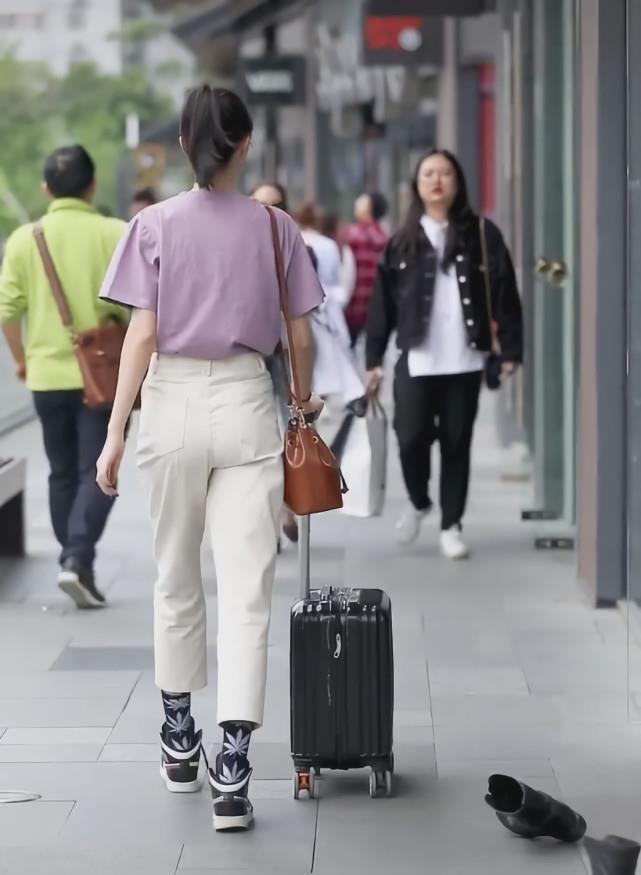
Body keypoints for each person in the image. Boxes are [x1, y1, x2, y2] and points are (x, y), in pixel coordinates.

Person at [96, 86, 324, 832]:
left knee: (174, 575)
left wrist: (116, 431)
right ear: (245, 145)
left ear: (189, 143)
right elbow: (299, 334)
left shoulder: (152, 224)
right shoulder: (273, 227)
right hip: (246, 405)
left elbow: (139, 336)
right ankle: (233, 766)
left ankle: (178, 737)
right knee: (248, 587)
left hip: (170, 403)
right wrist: (302, 400)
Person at [366, 149, 522, 559]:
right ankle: (420, 502)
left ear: (458, 182)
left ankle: (452, 524)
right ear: (417, 185)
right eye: (428, 174)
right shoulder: (401, 240)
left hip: (465, 362)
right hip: (416, 361)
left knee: (456, 443)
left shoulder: (483, 234)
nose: (437, 180)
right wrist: (373, 361)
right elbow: (381, 305)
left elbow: (506, 293)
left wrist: (511, 348)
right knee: (410, 437)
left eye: (446, 173)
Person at [0, 145, 128, 607]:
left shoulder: (23, 239)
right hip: (104, 373)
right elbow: (136, 308)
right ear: (93, 186)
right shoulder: (116, 232)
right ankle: (76, 558)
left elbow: (8, 312)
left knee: (61, 474)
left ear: (45, 188)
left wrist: (23, 359)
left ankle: (76, 563)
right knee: (101, 472)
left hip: (47, 376)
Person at [296, 202, 364, 405]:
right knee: (326, 356)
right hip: (326, 303)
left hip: (299, 305)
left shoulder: (294, 238)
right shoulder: (328, 245)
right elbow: (337, 277)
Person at [345, 191, 389, 347]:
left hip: (352, 308)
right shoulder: (384, 236)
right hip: (376, 308)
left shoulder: (352, 234)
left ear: (368, 208)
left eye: (361, 201)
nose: (357, 203)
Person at [318, 210, 357, 311]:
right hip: (332, 307)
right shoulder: (330, 249)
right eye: (340, 227)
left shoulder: (345, 251)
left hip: (335, 307)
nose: (344, 231)